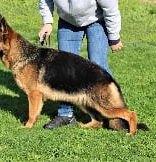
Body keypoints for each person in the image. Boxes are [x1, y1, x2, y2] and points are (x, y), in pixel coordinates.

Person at [38, 0, 123, 129]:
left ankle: (117, 113)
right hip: (67, 21)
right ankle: (65, 114)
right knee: (64, 70)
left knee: (98, 65)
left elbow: (111, 8)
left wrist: (114, 36)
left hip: (96, 20)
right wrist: (47, 22)